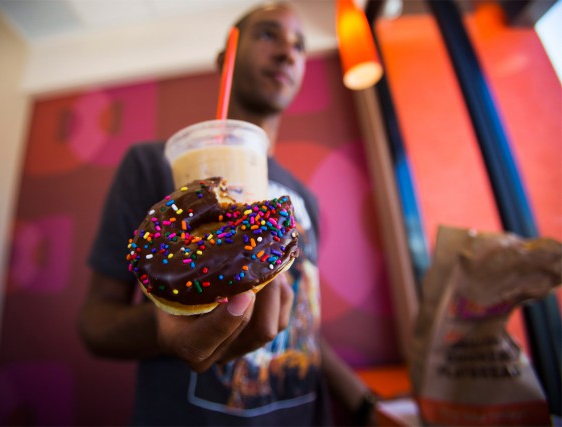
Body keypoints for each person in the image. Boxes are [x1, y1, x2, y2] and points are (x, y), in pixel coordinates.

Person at [78, 2, 377, 425]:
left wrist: (367, 405)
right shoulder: (152, 166)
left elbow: (300, 322)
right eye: (269, 34)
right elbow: (95, 322)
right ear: (227, 59)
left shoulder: (304, 201)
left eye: (300, 46)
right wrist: (164, 328)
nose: (288, 53)